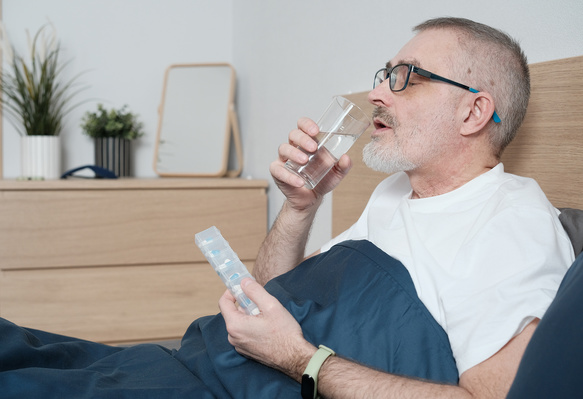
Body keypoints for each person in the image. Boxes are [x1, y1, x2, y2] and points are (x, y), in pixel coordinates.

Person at [218, 17, 575, 398]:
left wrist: (300, 359)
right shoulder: (392, 193)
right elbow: (276, 295)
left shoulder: (511, 227)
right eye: (385, 75)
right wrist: (299, 208)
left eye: (405, 77)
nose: (376, 93)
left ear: (473, 112)